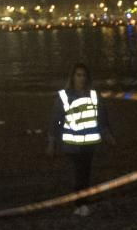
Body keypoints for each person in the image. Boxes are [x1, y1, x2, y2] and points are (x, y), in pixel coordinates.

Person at [47, 63, 114, 216]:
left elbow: (101, 117)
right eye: (78, 75)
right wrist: (52, 141)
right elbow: (56, 119)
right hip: (72, 143)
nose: (81, 78)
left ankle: (82, 202)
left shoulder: (94, 96)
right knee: (80, 172)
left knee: (85, 171)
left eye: (83, 75)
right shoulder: (65, 97)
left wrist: (107, 134)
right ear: (73, 77)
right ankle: (80, 203)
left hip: (89, 142)